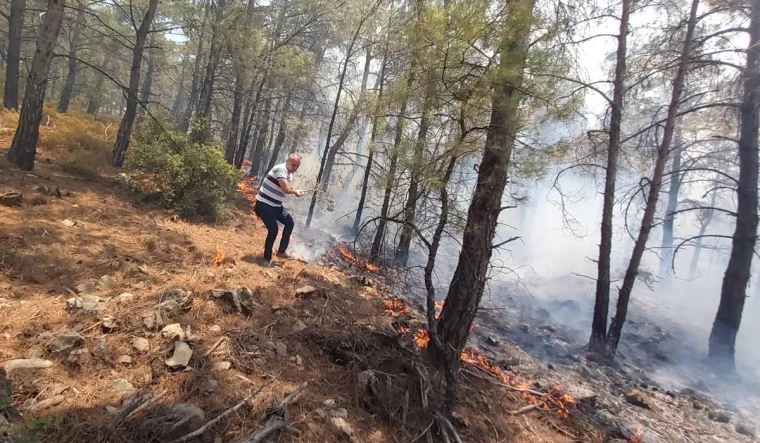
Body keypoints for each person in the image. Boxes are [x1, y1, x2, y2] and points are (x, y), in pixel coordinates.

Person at [254, 154, 303, 265]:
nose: (295, 168)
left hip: (275, 206)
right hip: (264, 205)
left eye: (297, 166)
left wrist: (295, 190)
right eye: (293, 165)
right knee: (273, 230)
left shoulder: (289, 174)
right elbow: (285, 189)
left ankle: (281, 252)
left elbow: (284, 187)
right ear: (287, 161)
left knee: (289, 223)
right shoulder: (280, 169)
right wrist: (295, 191)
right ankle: (266, 259)